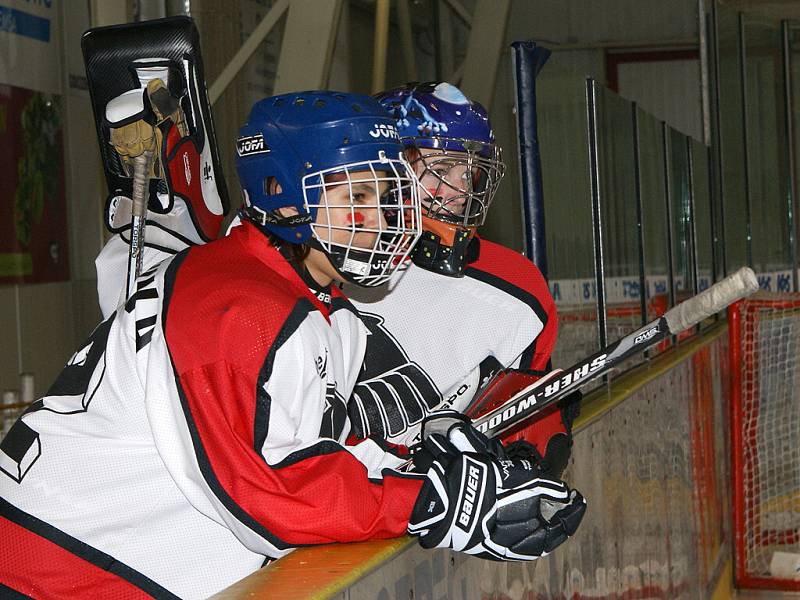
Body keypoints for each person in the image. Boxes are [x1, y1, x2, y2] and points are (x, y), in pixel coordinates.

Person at [0, 91, 584, 599]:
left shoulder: (316, 307)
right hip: (49, 575)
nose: (385, 217)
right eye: (356, 196)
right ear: (284, 200)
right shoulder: (244, 310)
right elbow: (277, 492)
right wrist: (433, 504)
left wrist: (430, 463)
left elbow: (329, 439)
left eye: (388, 194)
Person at [346, 82, 581, 480]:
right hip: (334, 509)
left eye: (468, 169)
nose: (458, 189)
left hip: (446, 523)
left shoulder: (517, 289)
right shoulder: (332, 264)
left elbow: (516, 414)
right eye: (440, 170)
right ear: (384, 170)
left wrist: (529, 443)